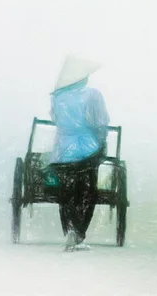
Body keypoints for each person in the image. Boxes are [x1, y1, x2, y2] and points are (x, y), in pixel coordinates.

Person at [48, 55, 110, 251]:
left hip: (62, 152)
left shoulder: (58, 98)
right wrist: (102, 141)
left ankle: (70, 231)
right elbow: (101, 122)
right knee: (87, 192)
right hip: (87, 151)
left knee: (66, 194)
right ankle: (79, 234)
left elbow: (56, 121)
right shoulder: (93, 95)